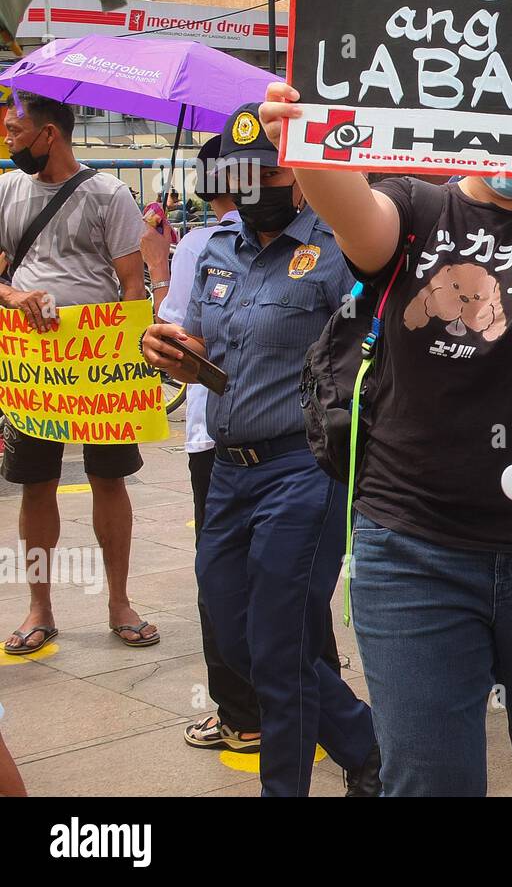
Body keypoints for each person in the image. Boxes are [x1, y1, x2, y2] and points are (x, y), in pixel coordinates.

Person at [256, 82, 512, 797]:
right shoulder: (415, 207)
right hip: (413, 553)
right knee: (428, 781)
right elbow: (354, 213)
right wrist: (301, 138)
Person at [141, 105, 378, 797]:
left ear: (299, 173)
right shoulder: (214, 249)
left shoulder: (338, 248)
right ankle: (366, 744)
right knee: (239, 638)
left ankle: (289, 786)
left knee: (277, 643)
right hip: (228, 469)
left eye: (270, 170)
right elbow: (197, 349)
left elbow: (373, 345)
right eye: (242, 173)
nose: (256, 185)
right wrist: (172, 354)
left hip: (303, 468)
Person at [0, 91, 159, 655]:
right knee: (35, 484)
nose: (9, 140)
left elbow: (132, 282)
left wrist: (130, 353)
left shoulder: (109, 194)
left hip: (101, 364)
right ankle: (39, 606)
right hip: (31, 366)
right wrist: (14, 295)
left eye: (17, 132)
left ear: (50, 134)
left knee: (109, 480)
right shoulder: (6, 190)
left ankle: (119, 601)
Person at [149, 137, 261, 753]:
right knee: (276, 582)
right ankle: (284, 703)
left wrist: (157, 264)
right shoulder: (308, 242)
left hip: (214, 439)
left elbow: (174, 333)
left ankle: (242, 715)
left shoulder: (202, 244)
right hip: (278, 439)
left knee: (223, 581)